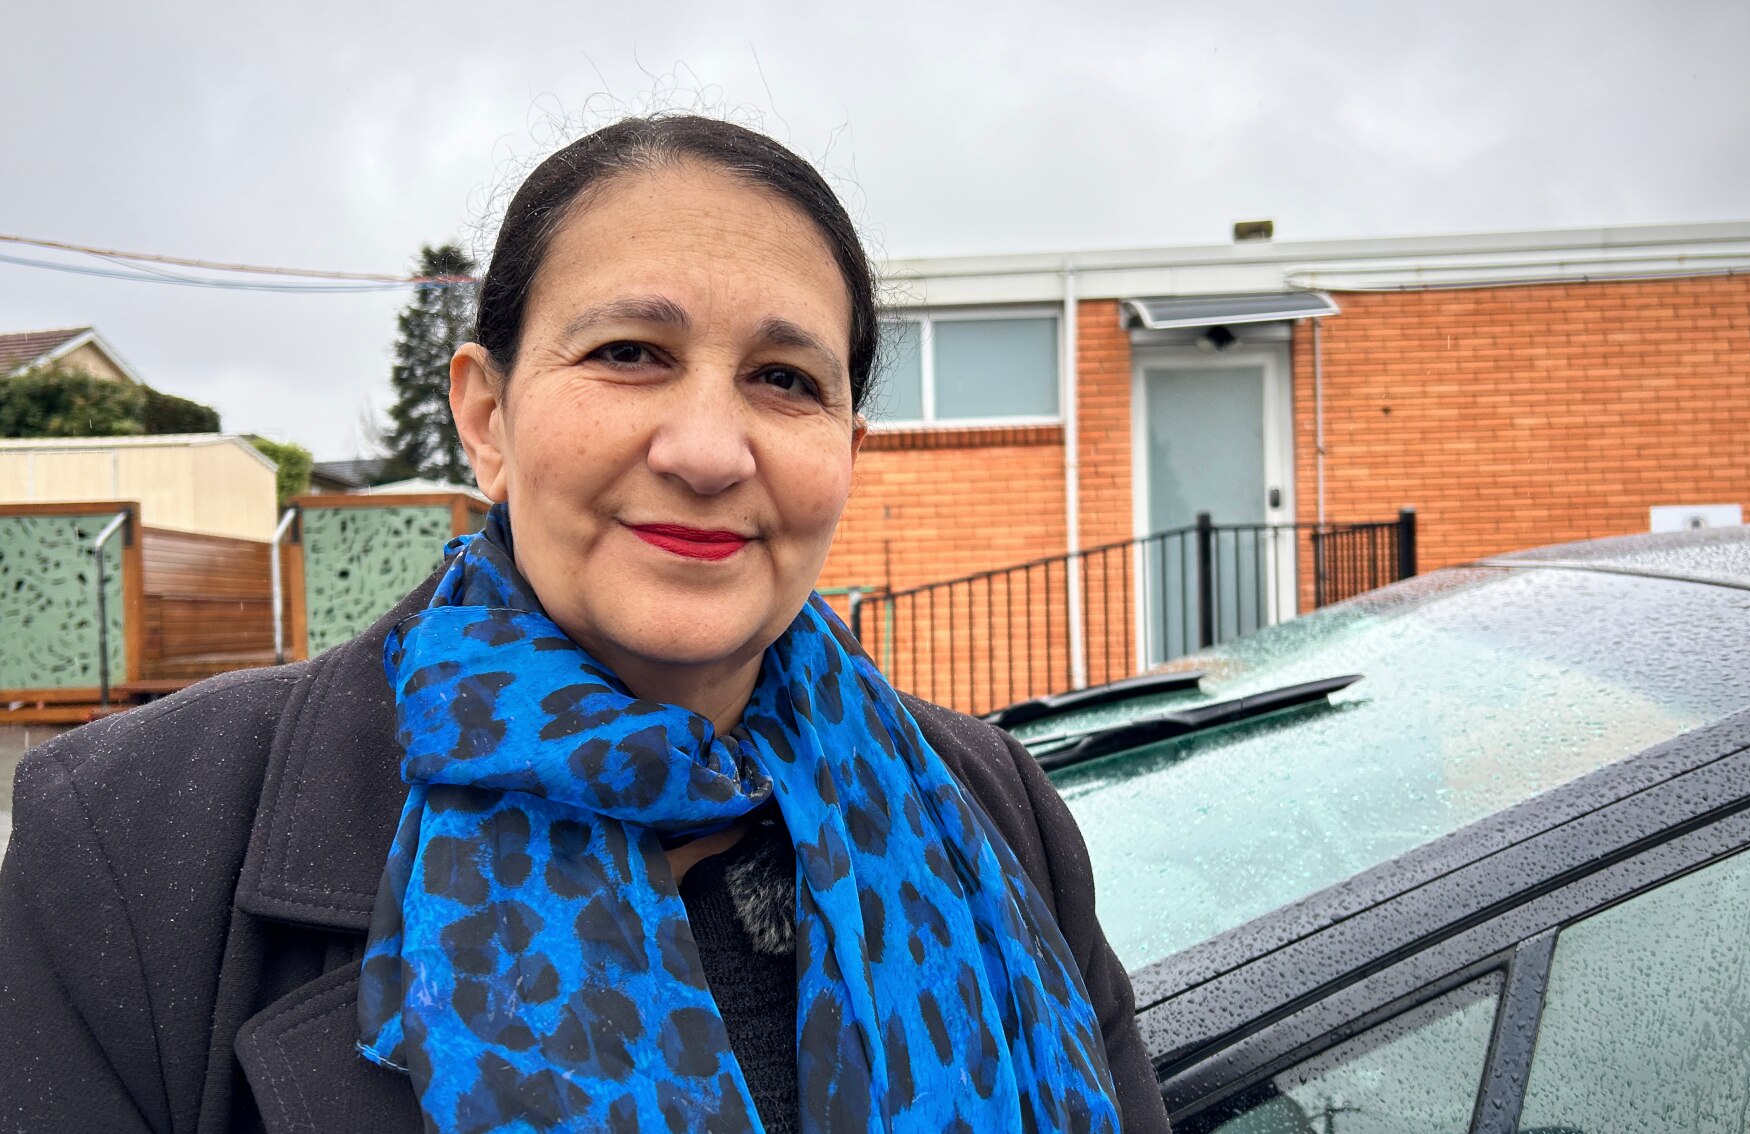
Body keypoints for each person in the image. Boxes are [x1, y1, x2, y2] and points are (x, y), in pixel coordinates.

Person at [0, 115, 1166, 1133]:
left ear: (846, 456)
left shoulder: (995, 812)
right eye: (628, 354)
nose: (708, 451)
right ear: (486, 415)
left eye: (785, 380)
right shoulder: (132, 837)